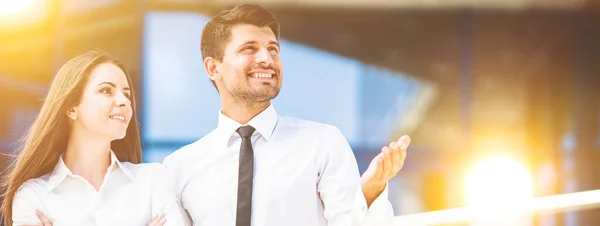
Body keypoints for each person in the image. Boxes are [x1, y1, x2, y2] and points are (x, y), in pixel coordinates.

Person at [161, 4, 411, 226]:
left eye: (273, 49)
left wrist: (369, 192)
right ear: (214, 68)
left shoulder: (322, 143)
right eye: (249, 48)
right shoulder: (180, 167)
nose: (266, 59)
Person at [1, 51, 185, 226]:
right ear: (71, 108)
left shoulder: (153, 179)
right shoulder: (33, 195)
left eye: (127, 94)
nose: (125, 101)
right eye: (106, 90)